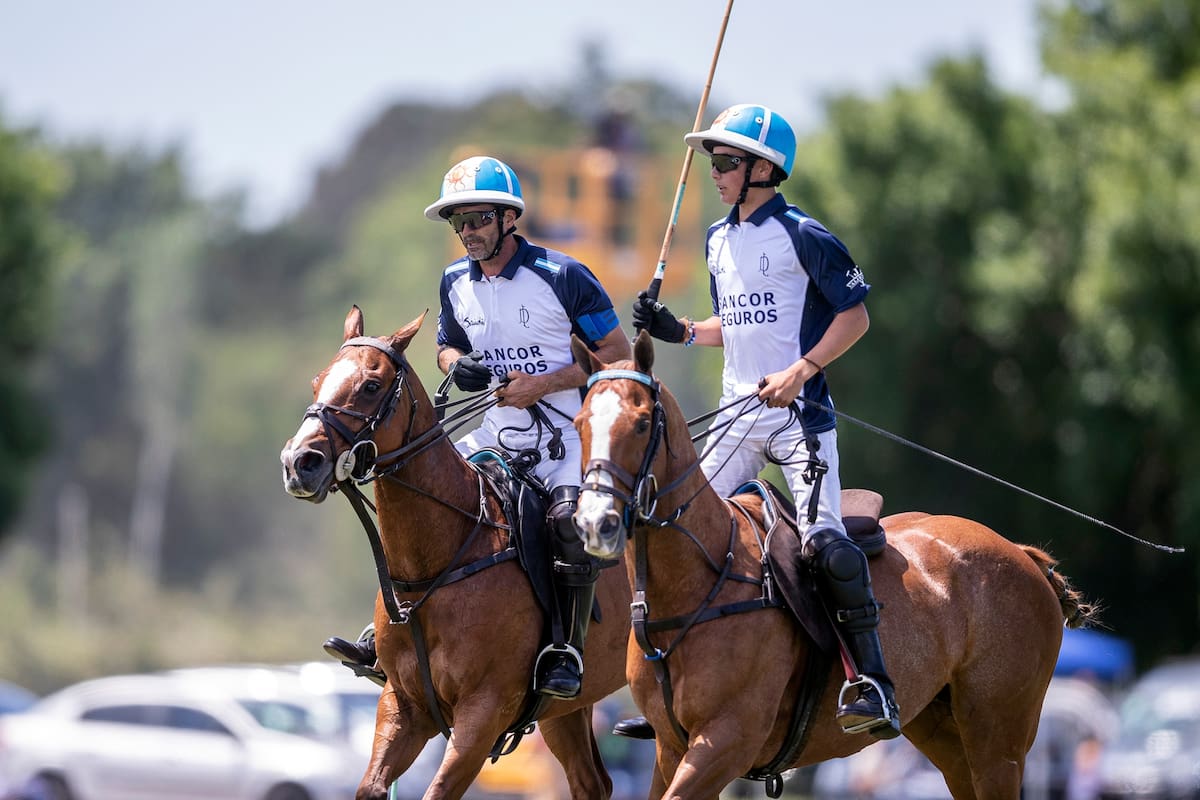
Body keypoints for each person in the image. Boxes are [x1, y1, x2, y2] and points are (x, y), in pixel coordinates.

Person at [620, 104, 900, 740]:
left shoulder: (805, 235)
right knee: (671, 527)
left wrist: (801, 370)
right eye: (713, 162)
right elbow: (737, 325)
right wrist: (680, 330)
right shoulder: (718, 240)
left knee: (826, 546)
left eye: (726, 162)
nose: (715, 172)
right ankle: (668, 685)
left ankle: (872, 682)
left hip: (799, 418)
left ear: (763, 169)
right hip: (737, 417)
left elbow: (855, 316)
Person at [324, 155, 632, 699]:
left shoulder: (563, 275)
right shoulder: (454, 281)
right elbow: (447, 344)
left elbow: (617, 355)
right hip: (494, 431)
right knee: (416, 493)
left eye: (478, 219)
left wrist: (542, 384)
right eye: (458, 221)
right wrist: (454, 364)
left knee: (567, 523)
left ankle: (566, 647)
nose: (467, 231)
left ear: (508, 218)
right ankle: (391, 631)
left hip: (565, 437)